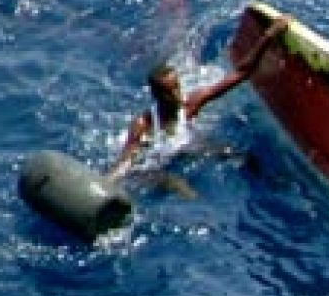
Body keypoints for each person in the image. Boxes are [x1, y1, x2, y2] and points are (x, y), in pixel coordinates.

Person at [108, 14, 292, 180]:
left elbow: (241, 73)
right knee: (175, 184)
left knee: (238, 156)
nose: (176, 94)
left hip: (183, 149)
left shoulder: (190, 105)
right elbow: (126, 163)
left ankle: (276, 181)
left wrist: (269, 35)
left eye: (177, 88)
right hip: (152, 165)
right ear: (156, 95)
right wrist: (108, 183)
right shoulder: (143, 124)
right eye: (169, 91)